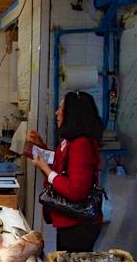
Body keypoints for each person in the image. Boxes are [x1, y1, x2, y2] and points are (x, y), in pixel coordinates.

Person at [28, 91, 104, 252]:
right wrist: (41, 147)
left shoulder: (81, 144)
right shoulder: (69, 141)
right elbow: (61, 167)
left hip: (79, 224)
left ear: (73, 113)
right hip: (68, 219)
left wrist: (46, 170)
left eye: (61, 108)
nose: (57, 112)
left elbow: (76, 191)